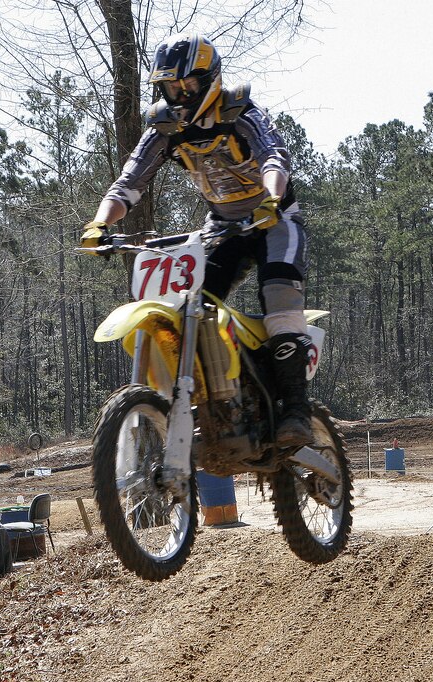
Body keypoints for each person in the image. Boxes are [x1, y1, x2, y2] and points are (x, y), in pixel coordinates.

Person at [82, 34, 313, 448]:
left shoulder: (239, 111)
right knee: (192, 306)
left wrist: (273, 197)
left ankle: (296, 410)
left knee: (278, 295)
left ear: (210, 79)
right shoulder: (165, 125)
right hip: (223, 227)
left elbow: (273, 155)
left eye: (187, 85)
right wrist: (98, 225)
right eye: (171, 88)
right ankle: (217, 397)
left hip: (274, 221)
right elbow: (130, 182)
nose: (180, 95)